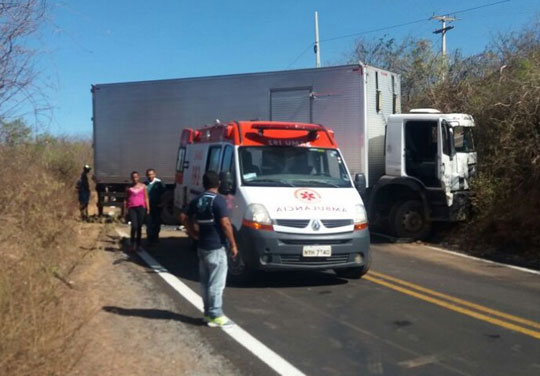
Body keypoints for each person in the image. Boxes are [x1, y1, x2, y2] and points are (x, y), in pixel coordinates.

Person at [181, 171, 238, 327]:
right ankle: (216, 314)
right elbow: (225, 224)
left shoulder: (198, 199)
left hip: (202, 246)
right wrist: (233, 243)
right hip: (216, 246)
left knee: (205, 282)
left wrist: (192, 232)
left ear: (203, 183)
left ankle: (207, 313)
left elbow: (183, 216)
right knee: (217, 283)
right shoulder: (218, 201)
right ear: (218, 183)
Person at [124, 171, 150, 252]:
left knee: (139, 227)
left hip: (141, 208)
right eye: (133, 177)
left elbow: (146, 198)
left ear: (138, 177)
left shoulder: (143, 186)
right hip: (132, 208)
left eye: (136, 177)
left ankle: (138, 245)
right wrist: (125, 210)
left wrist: (148, 208)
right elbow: (126, 199)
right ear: (131, 178)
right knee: (134, 226)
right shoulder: (129, 188)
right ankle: (132, 244)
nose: (135, 179)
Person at [145, 168, 166, 244]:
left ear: (155, 174)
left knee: (156, 223)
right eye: (148, 175)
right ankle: (149, 239)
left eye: (151, 174)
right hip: (148, 207)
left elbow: (165, 194)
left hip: (157, 206)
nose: (150, 176)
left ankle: (155, 238)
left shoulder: (159, 183)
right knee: (149, 223)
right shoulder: (145, 184)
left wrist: (163, 203)